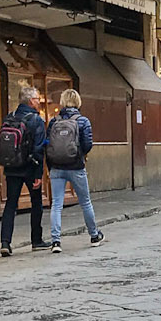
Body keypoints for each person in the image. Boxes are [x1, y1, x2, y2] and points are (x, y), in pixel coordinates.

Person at [46, 87, 105, 252]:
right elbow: (88, 144)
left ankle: (56, 241)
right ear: (78, 102)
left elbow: (48, 144)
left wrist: (50, 164)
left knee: (56, 204)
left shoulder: (54, 121)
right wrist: (80, 155)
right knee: (85, 202)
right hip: (76, 166)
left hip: (57, 167)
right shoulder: (83, 121)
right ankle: (94, 235)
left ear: (63, 102)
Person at [0, 84, 48, 255]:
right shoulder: (36, 120)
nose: (39, 102)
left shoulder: (9, 117)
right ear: (31, 101)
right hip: (29, 167)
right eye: (38, 99)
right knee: (36, 203)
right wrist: (38, 174)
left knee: (11, 204)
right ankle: (36, 240)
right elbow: (39, 148)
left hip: (11, 167)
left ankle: (5, 242)